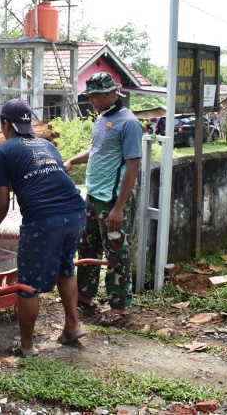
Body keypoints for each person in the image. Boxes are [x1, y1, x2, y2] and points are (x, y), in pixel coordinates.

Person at [0, 99, 87, 357]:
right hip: (75, 212)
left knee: (28, 284)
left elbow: (1, 202)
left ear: (5, 125)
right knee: (65, 267)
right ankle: (72, 326)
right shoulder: (48, 145)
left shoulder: (3, 151)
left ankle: (26, 345)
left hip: (43, 219)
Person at [63, 72, 143, 326]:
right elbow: (97, 148)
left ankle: (119, 305)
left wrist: (119, 208)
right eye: (90, 95)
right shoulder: (102, 119)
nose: (92, 99)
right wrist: (74, 160)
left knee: (117, 251)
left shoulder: (128, 123)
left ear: (112, 93)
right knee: (87, 245)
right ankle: (85, 294)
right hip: (94, 194)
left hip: (112, 199)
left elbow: (133, 166)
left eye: (96, 95)